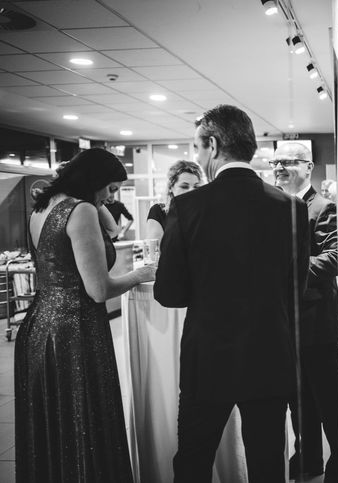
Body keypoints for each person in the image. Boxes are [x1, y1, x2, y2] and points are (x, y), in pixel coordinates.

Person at [154, 105, 310, 483]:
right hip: (270, 353)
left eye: (198, 147)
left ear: (212, 144)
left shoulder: (187, 206)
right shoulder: (292, 207)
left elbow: (169, 293)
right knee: (267, 463)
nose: (197, 156)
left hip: (208, 356)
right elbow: (297, 287)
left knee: (194, 460)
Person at [15, 148, 156, 482]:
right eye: (110, 188)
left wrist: (95, 197)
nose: (112, 196)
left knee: (54, 425)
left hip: (38, 326)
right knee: (84, 421)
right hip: (74, 331)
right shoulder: (80, 211)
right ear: (93, 180)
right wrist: (140, 274)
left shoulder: (42, 207)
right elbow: (98, 289)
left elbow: (110, 229)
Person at [272, 142, 338, 482]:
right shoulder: (272, 207)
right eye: (275, 162)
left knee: (327, 402)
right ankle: (308, 459)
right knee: (297, 402)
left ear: (308, 167)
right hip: (282, 323)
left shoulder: (325, 207)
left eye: (288, 161)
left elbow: (333, 259)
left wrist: (286, 269)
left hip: (316, 323)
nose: (279, 167)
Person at [146, 160, 203, 239]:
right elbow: (155, 244)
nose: (191, 191)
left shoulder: (203, 213)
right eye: (184, 187)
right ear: (171, 188)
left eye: (196, 187)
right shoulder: (159, 211)